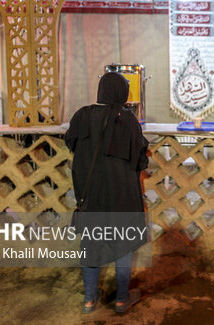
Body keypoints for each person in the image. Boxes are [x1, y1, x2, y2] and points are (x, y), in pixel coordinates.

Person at [65, 72, 149, 314]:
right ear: (122, 93)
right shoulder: (128, 119)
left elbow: (70, 142)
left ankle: (89, 300)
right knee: (123, 246)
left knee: (91, 243)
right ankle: (122, 299)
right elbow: (140, 161)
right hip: (122, 196)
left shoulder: (83, 115)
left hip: (92, 195)